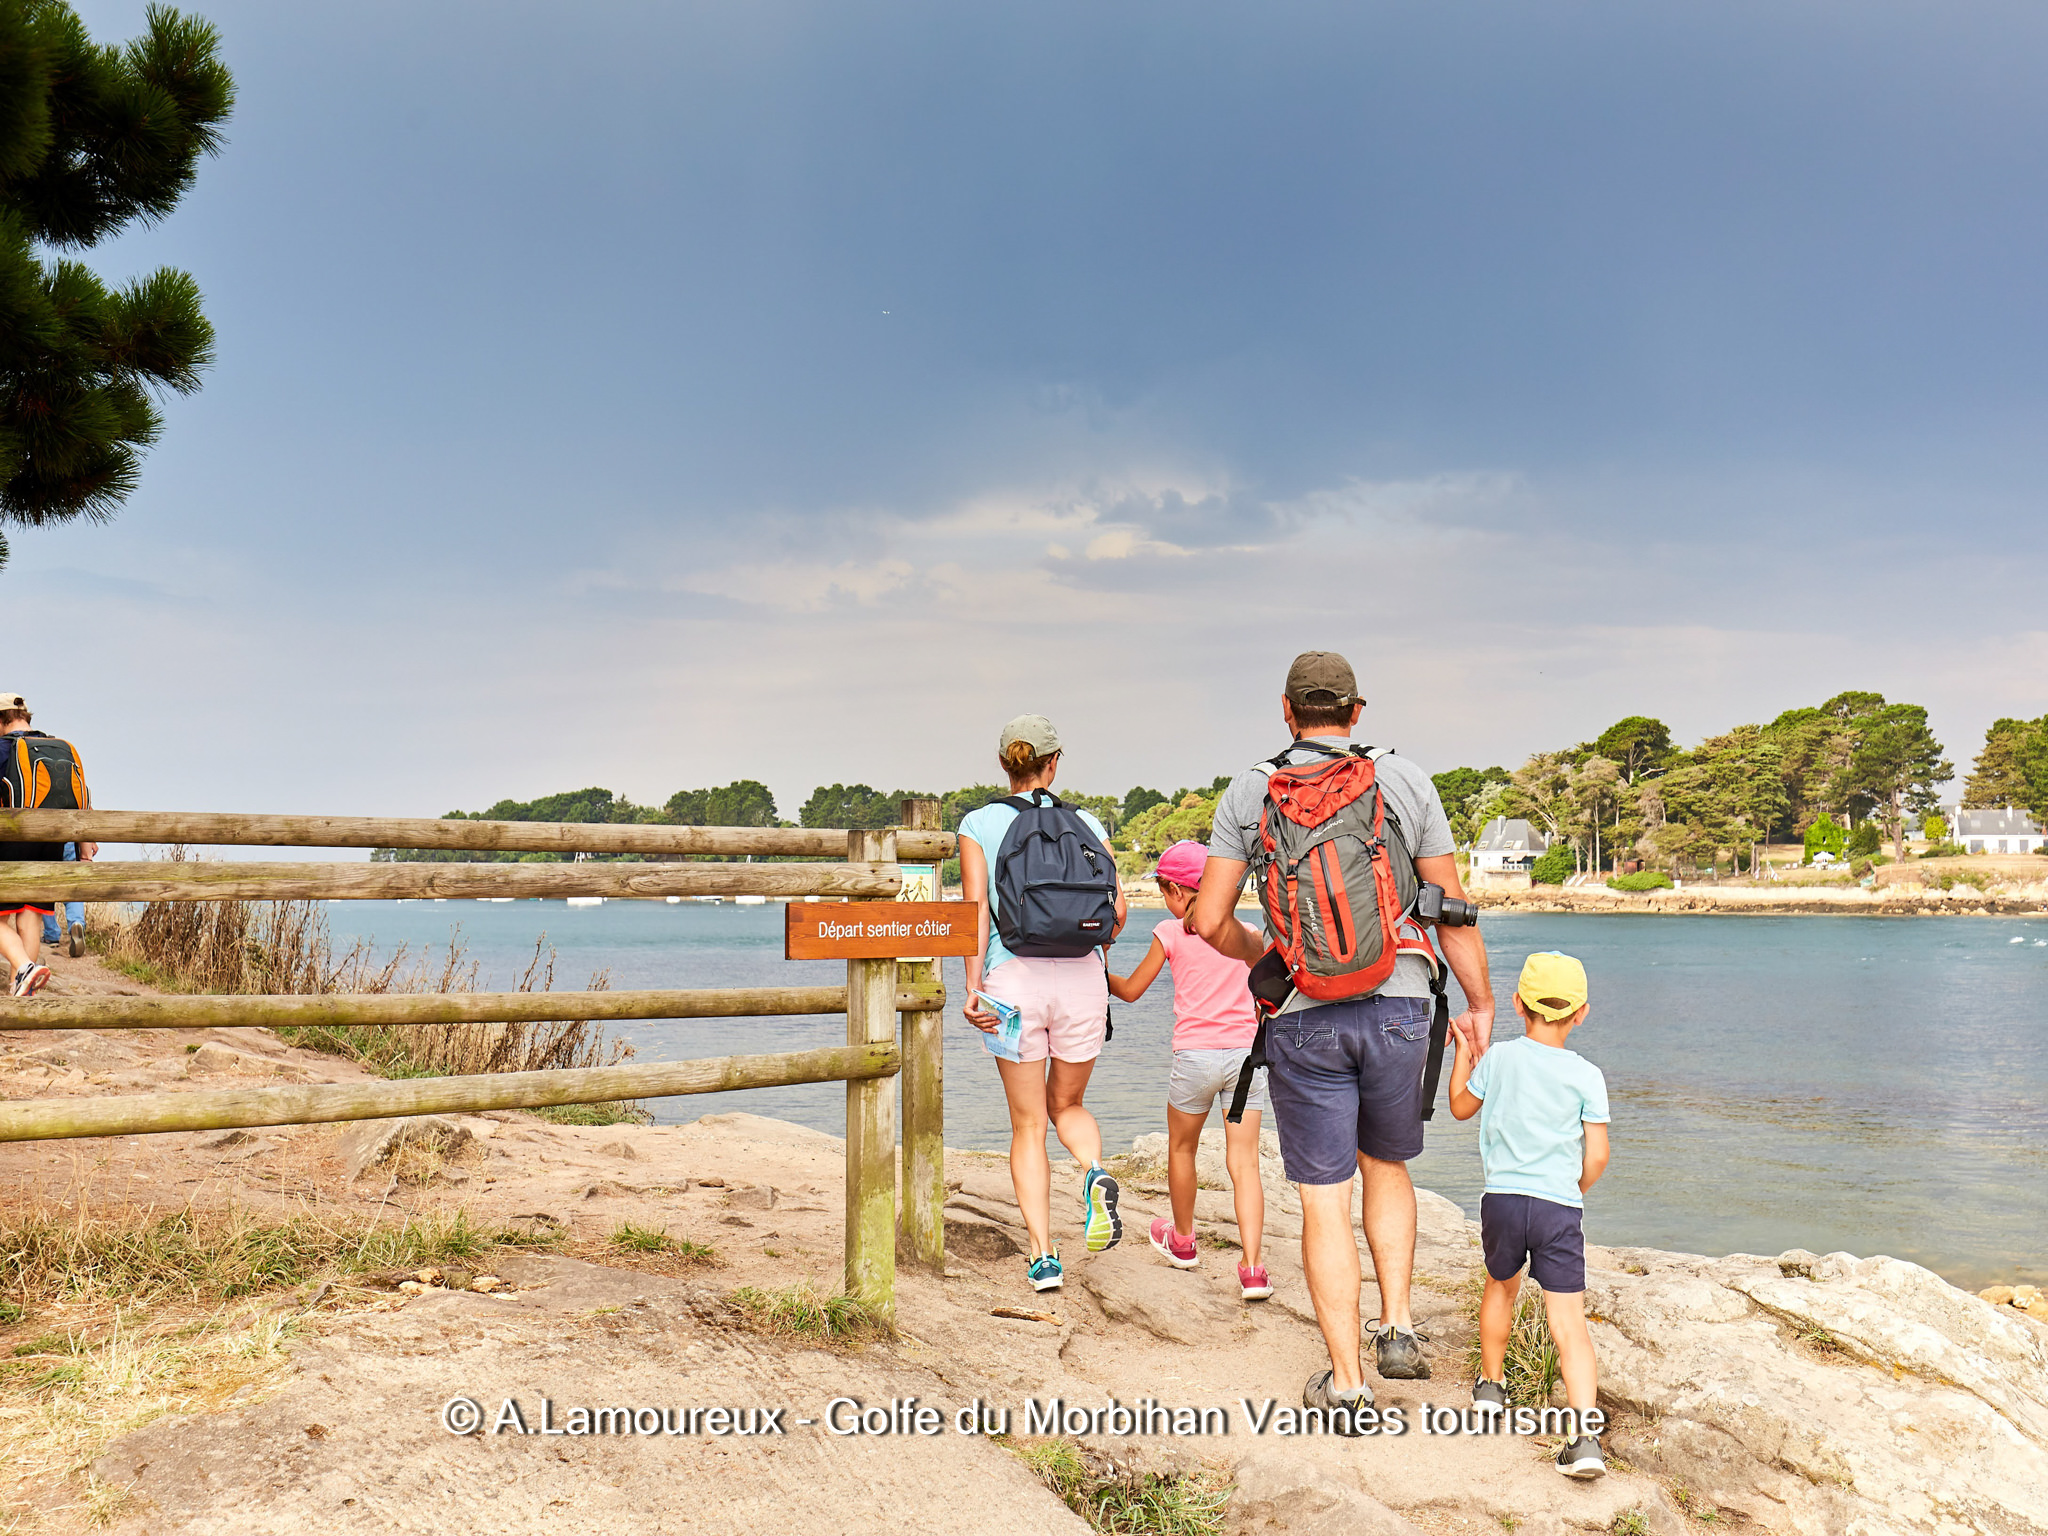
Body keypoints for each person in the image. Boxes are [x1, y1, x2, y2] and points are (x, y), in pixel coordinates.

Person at [1189, 651, 1493, 1424]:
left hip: (1302, 1014)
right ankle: (1397, 1328)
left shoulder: (1251, 788)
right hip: (1397, 1006)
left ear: (1287, 713)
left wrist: (1270, 957)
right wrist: (1481, 1003)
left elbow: (1208, 921)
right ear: (1357, 712)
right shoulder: (1406, 780)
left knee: (1324, 1202)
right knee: (1387, 1167)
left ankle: (1349, 1385)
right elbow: (1450, 907)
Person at [960, 714, 1129, 1292]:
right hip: (1084, 982)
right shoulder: (1085, 821)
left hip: (1012, 983)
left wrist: (972, 986)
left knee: (1027, 1124)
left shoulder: (978, 823)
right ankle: (1093, 1171)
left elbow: (975, 912)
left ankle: (1043, 1257)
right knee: (1068, 1106)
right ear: (1054, 762)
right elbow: (1119, 911)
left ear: (1004, 763)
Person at [1449, 950, 1611, 1478]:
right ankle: (1584, 1438)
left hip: (1502, 1200)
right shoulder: (1588, 1075)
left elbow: (1459, 1107)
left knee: (1500, 1287)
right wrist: (1572, 1188)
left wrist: (1463, 1055)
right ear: (1581, 1013)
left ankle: (1492, 1389)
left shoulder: (1498, 1059)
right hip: (1558, 1207)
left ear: (1519, 1004)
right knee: (1570, 1322)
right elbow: (1598, 1156)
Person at [1106, 839, 1274, 1301]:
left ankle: (1182, 1241)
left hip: (1194, 1057)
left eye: (1165, 890)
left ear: (1181, 891)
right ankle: (1254, 1269)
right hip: (1245, 1056)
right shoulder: (1248, 931)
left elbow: (1132, 990)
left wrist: (1098, 970)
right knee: (1244, 1163)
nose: (1164, 899)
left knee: (1182, 1150)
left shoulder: (1170, 931)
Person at [0, 693, 96, 995]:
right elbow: (83, 796)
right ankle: (23, 991)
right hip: (51, 842)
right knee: (30, 915)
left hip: (11, 839)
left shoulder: (3, 748)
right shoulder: (59, 747)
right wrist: (84, 843)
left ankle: (23, 966)